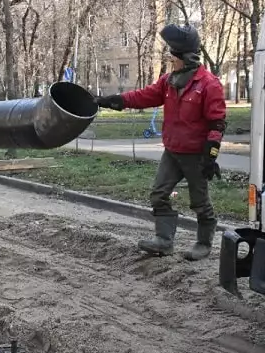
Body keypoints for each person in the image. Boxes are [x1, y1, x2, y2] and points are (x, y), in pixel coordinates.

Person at [95, 24, 226, 260]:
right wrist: (112, 101)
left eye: (172, 57)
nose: (170, 61)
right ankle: (164, 241)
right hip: (173, 151)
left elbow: (217, 122)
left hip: (196, 154)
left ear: (186, 58)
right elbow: (143, 96)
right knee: (158, 194)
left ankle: (204, 243)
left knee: (200, 202)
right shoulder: (168, 81)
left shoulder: (208, 84)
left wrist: (211, 154)